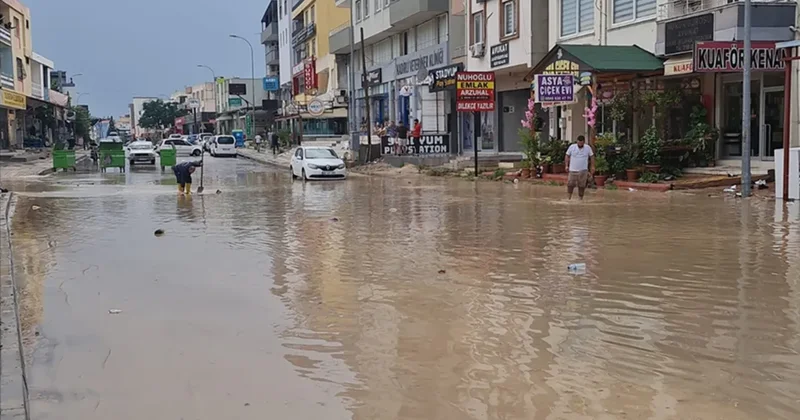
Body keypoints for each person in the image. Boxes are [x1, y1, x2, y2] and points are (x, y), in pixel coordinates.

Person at [565, 135, 595, 200]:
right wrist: (566, 165)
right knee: (570, 184)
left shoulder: (587, 148)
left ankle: (580, 198)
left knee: (582, 185)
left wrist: (592, 166)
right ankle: (568, 198)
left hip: (583, 170)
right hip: (573, 170)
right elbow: (567, 156)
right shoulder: (572, 147)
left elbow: (592, 157)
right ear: (577, 142)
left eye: (581, 143)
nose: (580, 144)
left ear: (584, 142)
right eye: (579, 143)